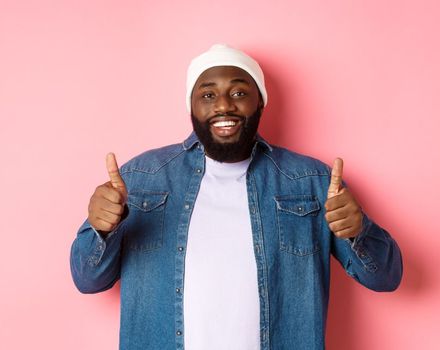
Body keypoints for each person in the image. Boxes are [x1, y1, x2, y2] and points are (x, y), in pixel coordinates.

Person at [69, 44, 403, 350]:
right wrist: (101, 230)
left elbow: (386, 278)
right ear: (192, 105)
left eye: (239, 92)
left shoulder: (312, 181)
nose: (224, 105)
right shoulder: (141, 178)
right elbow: (88, 280)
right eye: (208, 94)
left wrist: (359, 231)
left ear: (260, 101)